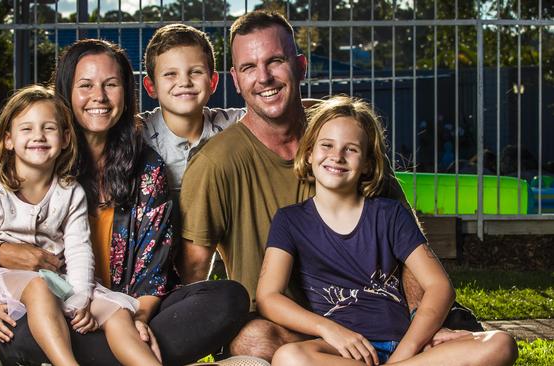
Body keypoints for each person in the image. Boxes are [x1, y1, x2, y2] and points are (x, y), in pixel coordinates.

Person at [178, 10, 480, 361]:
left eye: (275, 61)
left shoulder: (340, 131)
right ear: (235, 78)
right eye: (249, 67)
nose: (263, 77)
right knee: (253, 340)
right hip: (295, 328)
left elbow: (409, 249)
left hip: (379, 317)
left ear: (301, 66)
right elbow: (193, 273)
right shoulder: (216, 162)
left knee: (467, 337)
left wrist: (420, 324)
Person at [0, 39, 249, 366]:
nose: (99, 97)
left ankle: (113, 352)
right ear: (65, 92)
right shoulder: (32, 163)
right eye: (85, 85)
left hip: (118, 310)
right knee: (20, 332)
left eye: (111, 85)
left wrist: (138, 318)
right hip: (47, 312)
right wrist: (4, 253)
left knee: (228, 298)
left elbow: (153, 275)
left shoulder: (146, 169)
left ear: (126, 94)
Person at [257, 96, 518, 366]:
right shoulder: (290, 221)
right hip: (344, 353)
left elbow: (439, 286)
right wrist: (328, 329)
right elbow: (268, 297)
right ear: (309, 153)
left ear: (368, 164)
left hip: (405, 347)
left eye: (351, 149)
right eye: (327, 145)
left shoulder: (389, 214)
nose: (337, 156)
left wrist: (407, 350)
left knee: (499, 344)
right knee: (289, 358)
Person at [0, 85, 160, 366]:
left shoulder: (69, 191)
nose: (38, 136)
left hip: (57, 279)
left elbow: (79, 252)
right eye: (26, 129)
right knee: (38, 286)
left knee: (118, 312)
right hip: (3, 280)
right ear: (8, 140)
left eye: (48, 128)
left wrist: (81, 300)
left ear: (64, 139)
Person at [141, 23, 245, 195]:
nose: (184, 82)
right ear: (151, 86)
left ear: (213, 82)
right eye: (170, 74)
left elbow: (286, 113)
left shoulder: (235, 124)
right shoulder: (137, 132)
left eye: (196, 72)